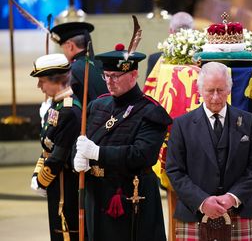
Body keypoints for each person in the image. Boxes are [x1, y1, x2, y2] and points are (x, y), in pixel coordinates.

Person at [73, 44, 172, 241]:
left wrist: (98, 153)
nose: (109, 82)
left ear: (134, 75)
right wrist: (76, 157)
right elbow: (83, 141)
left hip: (129, 196)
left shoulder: (151, 112)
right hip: (95, 194)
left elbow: (142, 155)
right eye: (106, 76)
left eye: (115, 76)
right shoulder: (97, 105)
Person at [166, 62, 252, 240]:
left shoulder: (248, 121)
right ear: (200, 90)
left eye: (220, 90)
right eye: (210, 90)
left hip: (238, 212)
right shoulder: (182, 124)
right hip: (193, 213)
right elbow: (174, 171)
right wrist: (203, 201)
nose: (215, 97)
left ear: (229, 89)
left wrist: (232, 198)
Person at [30, 53, 82, 241]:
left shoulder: (68, 111)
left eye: (42, 81)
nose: (39, 86)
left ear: (57, 80)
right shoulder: (56, 105)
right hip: (56, 182)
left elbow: (58, 157)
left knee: (65, 232)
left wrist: (41, 181)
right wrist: (37, 173)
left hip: (65, 186)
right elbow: (47, 147)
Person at [50, 21, 108, 104]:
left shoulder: (71, 70)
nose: (64, 53)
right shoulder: (102, 63)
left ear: (70, 46)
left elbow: (69, 107)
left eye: (63, 48)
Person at [146, 11, 194, 77]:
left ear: (171, 31)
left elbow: (149, 86)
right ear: (193, 31)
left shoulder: (155, 59)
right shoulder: (201, 59)